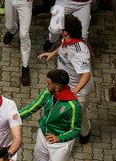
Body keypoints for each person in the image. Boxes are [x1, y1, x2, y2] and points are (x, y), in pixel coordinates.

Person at [19, 69, 82, 161]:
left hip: (60, 144)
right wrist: (14, 116)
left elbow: (75, 130)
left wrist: (59, 138)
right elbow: (33, 107)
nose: (47, 84)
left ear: (57, 86)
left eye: (49, 82)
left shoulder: (73, 106)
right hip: (43, 136)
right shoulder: (48, 93)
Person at [38, 15, 94, 144]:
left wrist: (74, 92)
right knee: (74, 112)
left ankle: (84, 132)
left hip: (78, 90)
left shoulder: (79, 51)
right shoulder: (67, 40)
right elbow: (63, 48)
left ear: (66, 32)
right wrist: (52, 53)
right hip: (66, 86)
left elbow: (86, 74)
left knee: (78, 114)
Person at [2, 0, 33, 85]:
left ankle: (25, 67)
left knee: (24, 35)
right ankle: (13, 31)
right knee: (9, 25)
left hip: (25, 3)